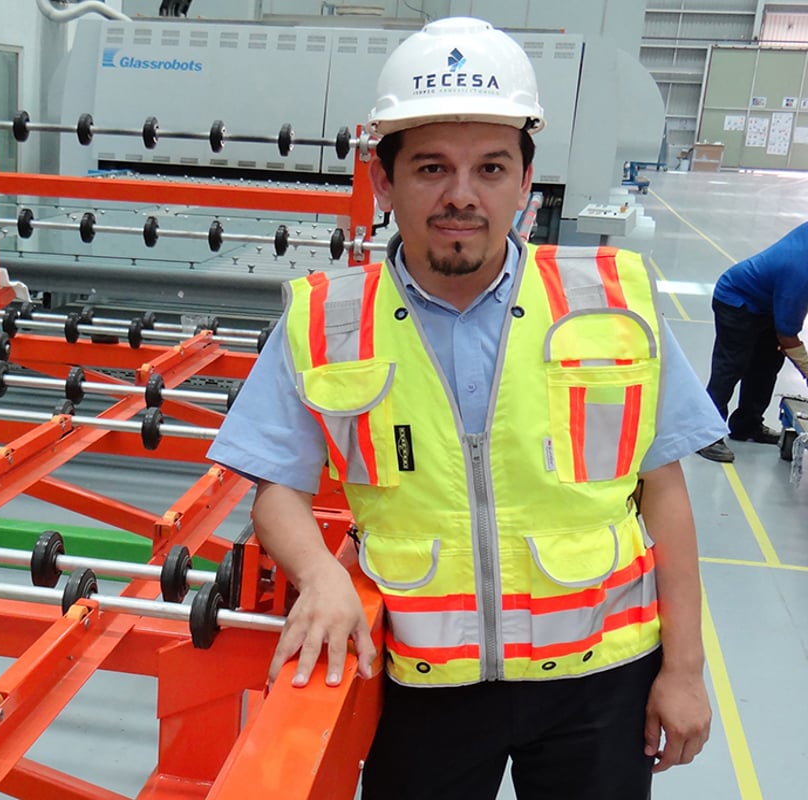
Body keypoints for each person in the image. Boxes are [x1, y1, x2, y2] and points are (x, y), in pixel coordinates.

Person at [208, 17, 723, 800]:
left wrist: (684, 670)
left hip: (602, 680)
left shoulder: (611, 301)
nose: (461, 196)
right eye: (430, 168)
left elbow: (667, 494)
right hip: (424, 684)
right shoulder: (327, 321)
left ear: (525, 179)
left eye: (489, 168)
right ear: (383, 181)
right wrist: (318, 574)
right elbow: (275, 485)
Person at [696, 223, 808, 462]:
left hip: (769, 302)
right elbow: (787, 337)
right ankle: (705, 435)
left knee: (766, 368)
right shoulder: (799, 269)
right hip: (737, 300)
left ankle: (747, 426)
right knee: (731, 367)